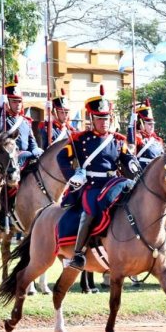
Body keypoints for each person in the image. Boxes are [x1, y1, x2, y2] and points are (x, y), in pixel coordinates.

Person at [57, 84, 141, 271]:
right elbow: (61, 157)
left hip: (114, 183)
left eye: (106, 118)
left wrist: (136, 168)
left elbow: (128, 161)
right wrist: (72, 176)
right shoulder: (80, 139)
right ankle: (78, 254)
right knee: (91, 211)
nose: (104, 122)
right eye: (100, 119)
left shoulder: (118, 140)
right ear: (92, 119)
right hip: (92, 186)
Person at [0, 75, 43, 168]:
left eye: (19, 101)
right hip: (10, 158)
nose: (18, 105)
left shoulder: (25, 122)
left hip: (27, 158)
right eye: (14, 102)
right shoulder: (3, 118)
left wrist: (35, 148)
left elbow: (31, 140)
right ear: (8, 103)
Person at [132, 99, 163, 170]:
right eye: (149, 124)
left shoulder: (158, 140)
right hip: (143, 171)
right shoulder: (137, 138)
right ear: (141, 124)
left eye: (153, 124)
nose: (152, 126)